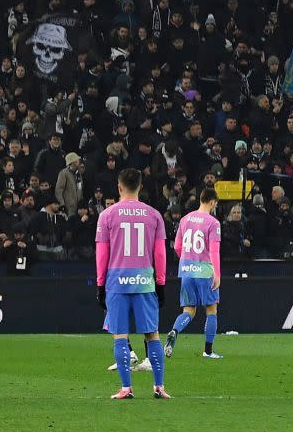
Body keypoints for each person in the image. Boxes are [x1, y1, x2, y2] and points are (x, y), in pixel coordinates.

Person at [95, 168, 170, 399]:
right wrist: (161, 283)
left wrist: (100, 284)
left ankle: (126, 388)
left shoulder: (107, 215)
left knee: (119, 335)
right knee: (153, 335)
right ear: (140, 187)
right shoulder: (154, 215)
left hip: (117, 283)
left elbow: (101, 253)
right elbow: (160, 254)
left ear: (119, 187)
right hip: (144, 282)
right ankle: (159, 386)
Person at [164, 188, 223, 359]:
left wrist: (188, 261)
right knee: (211, 309)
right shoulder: (213, 223)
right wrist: (217, 274)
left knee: (188, 310)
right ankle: (208, 351)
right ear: (212, 201)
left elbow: (177, 247)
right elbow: (214, 251)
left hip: (187, 270)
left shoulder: (185, 219)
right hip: (205, 271)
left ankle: (175, 331)